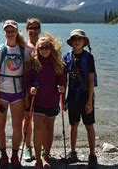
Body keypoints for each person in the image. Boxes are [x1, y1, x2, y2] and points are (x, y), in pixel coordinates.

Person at [0, 20, 30, 168]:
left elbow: (26, 75)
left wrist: (26, 95)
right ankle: (3, 156)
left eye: (12, 30)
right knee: (0, 125)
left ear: (17, 31)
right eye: (7, 30)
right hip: (2, 94)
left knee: (17, 127)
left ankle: (14, 155)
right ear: (4, 32)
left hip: (18, 94)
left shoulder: (24, 51)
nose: (10, 32)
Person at [24, 33, 66, 168]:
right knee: (38, 129)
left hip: (52, 101)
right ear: (37, 49)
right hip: (38, 102)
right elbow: (27, 81)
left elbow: (62, 80)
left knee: (49, 129)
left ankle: (46, 155)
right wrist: (30, 89)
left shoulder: (57, 63)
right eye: (41, 48)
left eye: (47, 47)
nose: (44, 50)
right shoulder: (33, 64)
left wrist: (62, 88)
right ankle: (38, 160)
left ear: (51, 48)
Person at [64, 29, 98, 168]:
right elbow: (64, 80)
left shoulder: (88, 58)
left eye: (80, 39)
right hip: (72, 96)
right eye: (75, 39)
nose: (77, 41)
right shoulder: (66, 57)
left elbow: (91, 80)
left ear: (84, 42)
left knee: (89, 125)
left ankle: (92, 154)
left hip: (85, 95)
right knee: (73, 125)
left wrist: (89, 100)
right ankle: (72, 152)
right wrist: (64, 99)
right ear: (71, 42)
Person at [22, 18, 42, 162]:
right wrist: (25, 93)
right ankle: (27, 148)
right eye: (30, 27)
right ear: (26, 29)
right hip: (27, 88)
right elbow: (21, 72)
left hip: (43, 89)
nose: (33, 30)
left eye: (36, 27)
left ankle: (40, 146)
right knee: (27, 119)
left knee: (41, 120)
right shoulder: (23, 48)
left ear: (39, 30)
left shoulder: (45, 46)